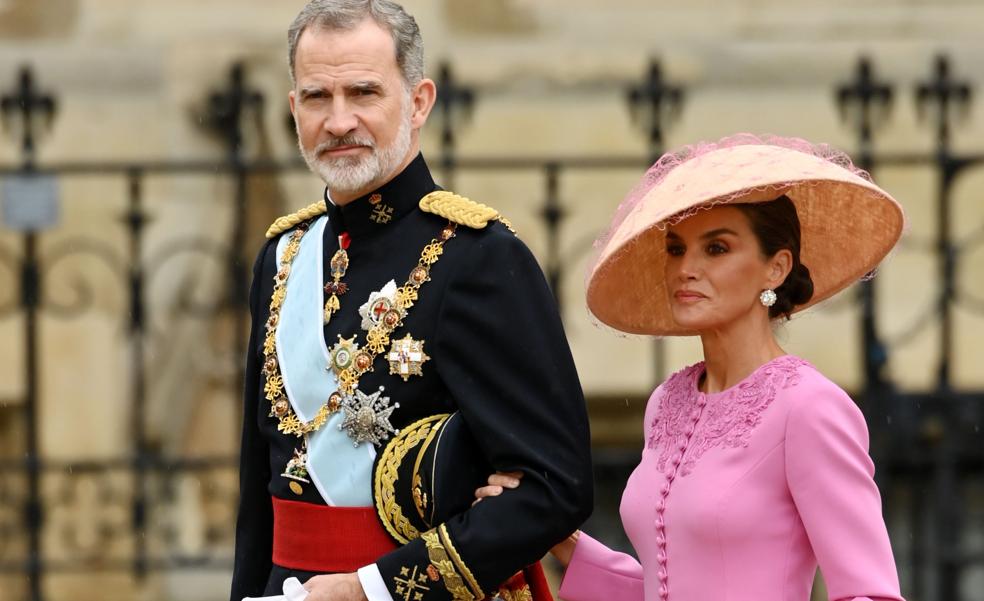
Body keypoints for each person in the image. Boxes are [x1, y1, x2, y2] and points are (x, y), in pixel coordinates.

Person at [229, 2, 594, 601]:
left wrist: (371, 589)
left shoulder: (477, 258)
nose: (339, 120)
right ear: (294, 110)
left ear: (419, 101)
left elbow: (556, 485)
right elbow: (258, 489)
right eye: (318, 97)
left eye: (364, 93)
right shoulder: (284, 255)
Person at [476, 135, 907, 601]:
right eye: (677, 249)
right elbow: (662, 587)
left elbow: (871, 592)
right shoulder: (668, 402)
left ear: (776, 268)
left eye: (717, 249)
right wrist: (562, 541)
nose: (686, 268)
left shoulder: (810, 407)